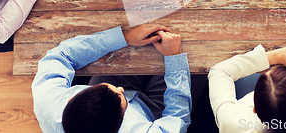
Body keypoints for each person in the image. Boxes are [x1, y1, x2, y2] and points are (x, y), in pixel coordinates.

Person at [31, 23, 192, 133]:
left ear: (70, 99)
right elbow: (177, 120)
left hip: (114, 84)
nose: (122, 90)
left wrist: (124, 37)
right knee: (190, 59)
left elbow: (59, 56)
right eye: (122, 100)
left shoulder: (48, 102)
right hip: (153, 114)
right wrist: (174, 58)